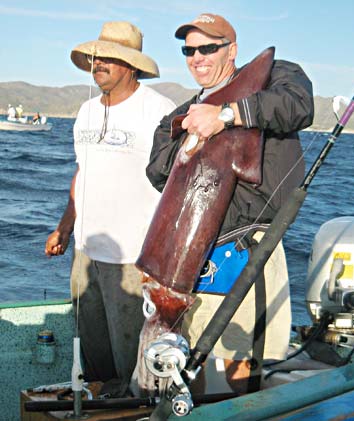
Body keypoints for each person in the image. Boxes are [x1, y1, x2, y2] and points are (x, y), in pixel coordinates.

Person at [146, 13, 314, 394]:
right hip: (190, 253)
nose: (197, 57)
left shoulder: (275, 77)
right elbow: (156, 172)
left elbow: (297, 106)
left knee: (242, 361)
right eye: (189, 50)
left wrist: (226, 115)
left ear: (232, 50)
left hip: (247, 246)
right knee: (191, 357)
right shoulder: (180, 113)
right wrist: (189, 137)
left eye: (208, 47)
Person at [45, 21, 175, 397]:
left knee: (132, 358)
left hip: (134, 256)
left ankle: (138, 411)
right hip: (86, 254)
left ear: (131, 66)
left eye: (110, 58)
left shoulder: (159, 110)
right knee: (95, 354)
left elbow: (177, 181)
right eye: (96, 56)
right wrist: (65, 228)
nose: (98, 63)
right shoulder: (85, 111)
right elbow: (83, 172)